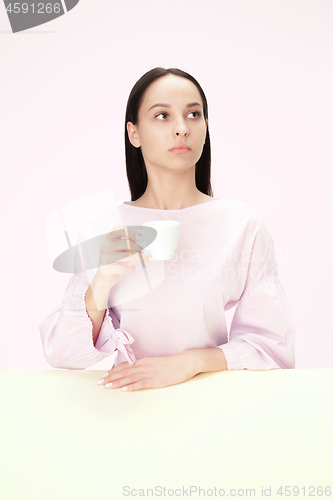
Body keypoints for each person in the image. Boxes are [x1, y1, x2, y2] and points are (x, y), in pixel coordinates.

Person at [39, 67, 296, 392]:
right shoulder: (104, 225)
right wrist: (102, 279)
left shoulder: (241, 224)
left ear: (205, 126)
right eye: (162, 115)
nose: (181, 128)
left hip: (212, 406)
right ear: (134, 133)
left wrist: (190, 363)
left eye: (193, 114)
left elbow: (274, 349)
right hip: (125, 409)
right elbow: (62, 354)